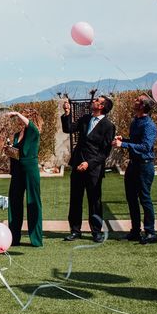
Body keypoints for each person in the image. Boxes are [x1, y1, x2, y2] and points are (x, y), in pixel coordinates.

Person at [61, 96, 116, 243]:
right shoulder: (85, 118)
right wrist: (67, 113)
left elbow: (104, 153)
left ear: (102, 106)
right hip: (77, 166)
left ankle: (96, 232)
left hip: (94, 170)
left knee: (94, 201)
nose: (94, 101)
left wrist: (89, 163)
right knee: (75, 200)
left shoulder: (108, 126)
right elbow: (68, 128)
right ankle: (75, 230)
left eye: (97, 101)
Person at [112, 94, 157, 244]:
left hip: (145, 165)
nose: (134, 100)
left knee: (144, 198)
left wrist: (124, 145)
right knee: (131, 198)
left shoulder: (149, 125)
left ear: (143, 106)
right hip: (133, 165)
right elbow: (135, 142)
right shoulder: (135, 122)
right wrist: (123, 140)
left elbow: (145, 147)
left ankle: (150, 232)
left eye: (137, 100)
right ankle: (135, 230)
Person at [6, 109, 43, 247]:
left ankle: (36, 239)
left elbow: (29, 124)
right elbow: (16, 153)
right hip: (17, 171)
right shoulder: (17, 135)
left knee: (33, 202)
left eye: (23, 115)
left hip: (30, 170)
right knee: (14, 202)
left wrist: (16, 113)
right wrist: (9, 149)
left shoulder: (33, 131)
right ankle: (14, 237)